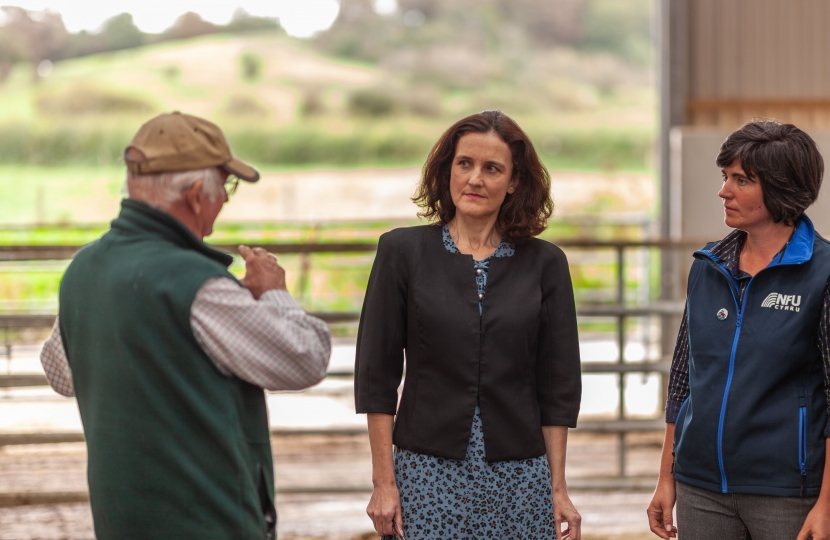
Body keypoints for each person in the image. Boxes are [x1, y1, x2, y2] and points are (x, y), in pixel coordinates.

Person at [39, 111, 332, 540]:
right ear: (197, 194)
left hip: (120, 519)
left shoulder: (84, 269)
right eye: (226, 188)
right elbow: (307, 358)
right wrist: (273, 293)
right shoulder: (199, 286)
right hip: (205, 520)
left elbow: (61, 374)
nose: (226, 200)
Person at [354, 110, 583, 539]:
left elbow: (557, 387)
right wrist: (384, 484)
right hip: (424, 474)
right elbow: (376, 377)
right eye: (465, 164)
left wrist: (558, 489)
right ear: (447, 171)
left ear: (514, 182)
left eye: (492, 168)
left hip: (521, 477)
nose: (475, 179)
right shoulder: (401, 252)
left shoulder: (546, 264)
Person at [647, 121, 830, 540]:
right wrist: (667, 476)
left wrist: (827, 503)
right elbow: (682, 379)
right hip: (700, 491)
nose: (723, 190)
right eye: (724, 177)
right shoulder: (707, 266)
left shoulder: (823, 274)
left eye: (741, 180)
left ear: (782, 188)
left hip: (787, 495)